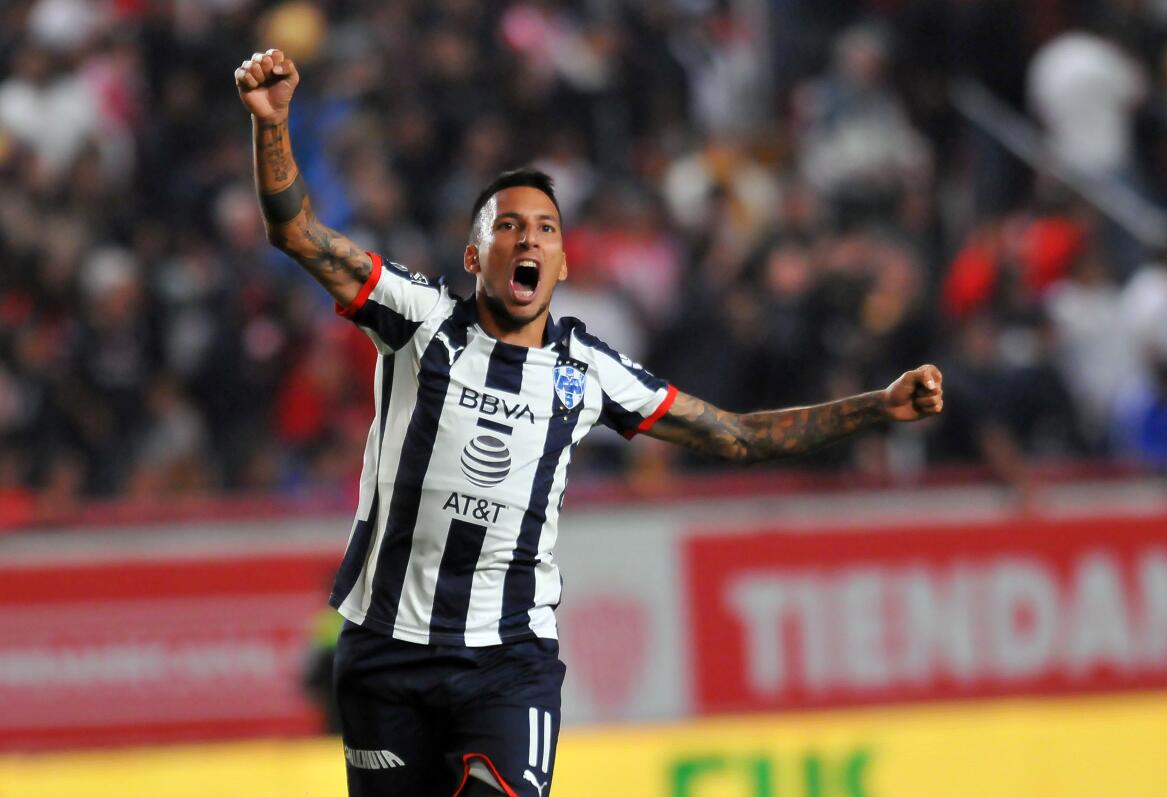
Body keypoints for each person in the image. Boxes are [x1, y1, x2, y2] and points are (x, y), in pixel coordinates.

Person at [235, 48, 945, 797]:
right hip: (385, 648)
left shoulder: (589, 371)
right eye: (509, 226)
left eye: (546, 228)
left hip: (508, 659)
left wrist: (876, 405)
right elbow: (299, 233)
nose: (530, 239)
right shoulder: (421, 322)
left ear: (565, 262)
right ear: (477, 253)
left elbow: (735, 435)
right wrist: (273, 126)